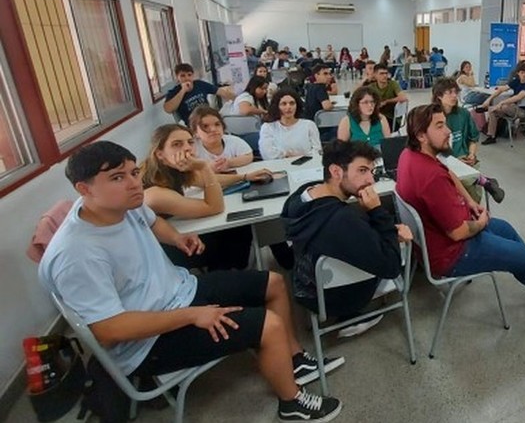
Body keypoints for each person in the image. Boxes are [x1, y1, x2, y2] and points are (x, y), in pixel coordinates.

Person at [37, 141, 342, 422]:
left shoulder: (123, 204)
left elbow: (153, 221)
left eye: (133, 172)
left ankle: (293, 359)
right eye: (117, 177)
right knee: (269, 324)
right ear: (84, 189)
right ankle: (292, 403)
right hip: (146, 343)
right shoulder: (76, 255)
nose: (133, 183)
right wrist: (193, 315)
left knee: (274, 282)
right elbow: (108, 331)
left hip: (180, 292)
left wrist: (178, 237)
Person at [396, 105, 525, 301]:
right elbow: (458, 232)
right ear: (421, 136)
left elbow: (447, 170)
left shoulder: (410, 154)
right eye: (440, 126)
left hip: (437, 239)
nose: (448, 131)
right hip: (451, 254)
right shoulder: (431, 178)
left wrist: (470, 202)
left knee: (506, 229)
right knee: (522, 256)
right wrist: (482, 221)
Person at [284, 140, 412, 337]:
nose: (371, 180)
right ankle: (352, 317)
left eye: (371, 171)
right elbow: (391, 267)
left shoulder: (301, 195)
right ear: (336, 171)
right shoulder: (343, 219)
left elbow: (350, 234)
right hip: (337, 298)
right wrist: (378, 213)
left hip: (306, 285)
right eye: (362, 171)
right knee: (402, 254)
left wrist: (379, 232)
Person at [141, 124, 271, 271]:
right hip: (171, 251)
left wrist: (244, 177)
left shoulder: (168, 170)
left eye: (190, 142)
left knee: (241, 228)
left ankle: (237, 269)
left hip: (179, 233)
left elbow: (209, 180)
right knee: (237, 230)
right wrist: (203, 167)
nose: (187, 148)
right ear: (160, 154)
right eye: (177, 144)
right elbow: (215, 207)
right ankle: (228, 276)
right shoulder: (155, 193)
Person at [432, 78, 504, 204]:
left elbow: (473, 138)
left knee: (467, 178)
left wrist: (471, 154)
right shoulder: (431, 117)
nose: (454, 96)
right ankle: (484, 182)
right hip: (441, 162)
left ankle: (473, 206)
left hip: (464, 159)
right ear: (439, 96)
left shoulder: (463, 114)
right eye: (450, 92)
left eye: (456, 92)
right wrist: (453, 162)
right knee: (466, 181)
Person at [479, 61, 525, 145]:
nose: (524, 75)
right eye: (522, 73)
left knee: (504, 106)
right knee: (492, 110)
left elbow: (518, 97)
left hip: (523, 111)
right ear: (518, 73)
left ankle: (491, 108)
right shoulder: (517, 81)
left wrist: (501, 103)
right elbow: (502, 89)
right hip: (513, 108)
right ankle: (491, 136)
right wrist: (489, 99)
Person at [163, 63, 235, 125]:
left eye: (189, 75)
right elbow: (168, 109)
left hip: (209, 117)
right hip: (193, 123)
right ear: (177, 77)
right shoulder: (174, 92)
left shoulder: (199, 84)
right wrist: (183, 91)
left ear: (193, 75)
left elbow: (221, 92)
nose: (187, 78)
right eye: (182, 76)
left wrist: (238, 99)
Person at [260, 90, 322, 160]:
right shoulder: (268, 127)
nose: (288, 107)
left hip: (307, 165)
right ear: (277, 106)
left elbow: (317, 151)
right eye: (284, 104)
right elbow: (267, 154)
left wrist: (299, 157)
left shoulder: (309, 125)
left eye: (292, 103)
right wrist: (287, 155)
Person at [189, 106, 254, 172]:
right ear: (195, 132)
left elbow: (248, 156)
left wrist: (229, 162)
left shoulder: (233, 141)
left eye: (217, 124)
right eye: (205, 126)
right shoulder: (192, 147)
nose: (213, 129)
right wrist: (207, 166)